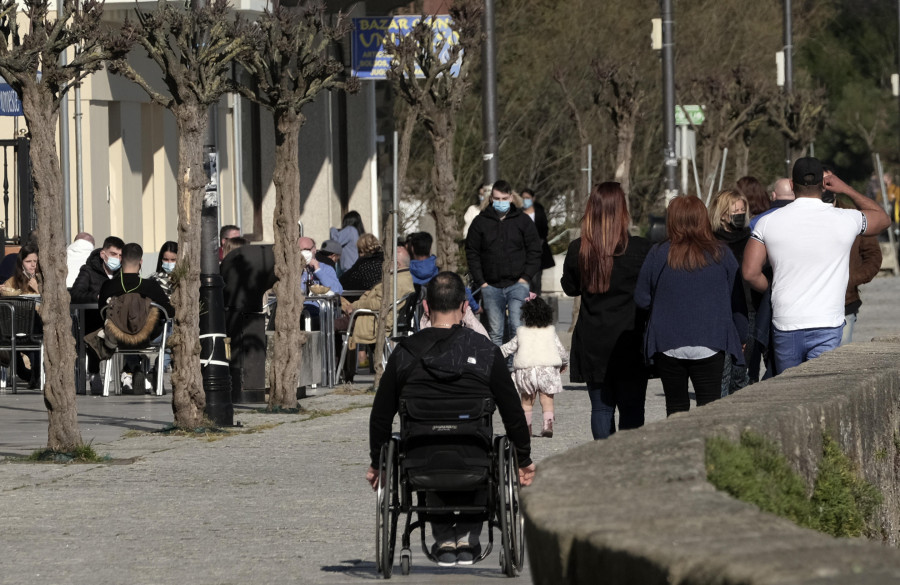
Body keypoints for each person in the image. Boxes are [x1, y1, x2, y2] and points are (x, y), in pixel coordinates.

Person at [366, 271, 534, 566]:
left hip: (420, 461)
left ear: (426, 308)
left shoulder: (404, 353)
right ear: (465, 307)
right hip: (475, 458)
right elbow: (512, 411)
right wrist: (523, 458)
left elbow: (380, 415)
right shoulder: (485, 351)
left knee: (429, 445)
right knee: (476, 448)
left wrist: (375, 460)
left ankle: (444, 539)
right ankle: (468, 538)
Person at [743, 158, 890, 374]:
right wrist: (846, 188)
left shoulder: (768, 222)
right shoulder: (846, 219)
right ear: (824, 185)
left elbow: (749, 272)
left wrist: (774, 290)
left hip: (787, 320)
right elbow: (883, 219)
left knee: (789, 391)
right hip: (828, 320)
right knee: (821, 389)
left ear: (792, 185)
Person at [635, 195, 747, 416]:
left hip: (668, 342)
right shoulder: (721, 253)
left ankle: (679, 449)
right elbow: (737, 298)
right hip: (711, 339)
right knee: (709, 406)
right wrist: (741, 335)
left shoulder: (659, 253)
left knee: (675, 408)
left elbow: (641, 298)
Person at [561, 182, 652, 439]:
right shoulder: (641, 249)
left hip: (593, 338)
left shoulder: (580, 249)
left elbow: (570, 288)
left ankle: (603, 459)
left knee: (601, 409)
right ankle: (628, 462)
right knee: (633, 408)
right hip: (630, 338)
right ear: (622, 211)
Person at [465, 179, 541, 349]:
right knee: (495, 332)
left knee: (517, 327)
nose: (501, 202)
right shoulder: (480, 222)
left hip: (517, 284)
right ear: (491, 199)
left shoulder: (523, 221)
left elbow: (535, 250)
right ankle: (498, 369)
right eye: (497, 199)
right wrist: (481, 281)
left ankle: (516, 368)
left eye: (504, 198)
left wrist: (525, 277)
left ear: (511, 198)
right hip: (490, 285)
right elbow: (472, 252)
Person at [95, 243, 175, 394]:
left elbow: (101, 312)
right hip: (148, 337)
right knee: (169, 330)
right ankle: (157, 370)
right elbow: (169, 312)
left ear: (121, 260)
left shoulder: (108, 286)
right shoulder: (150, 286)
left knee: (122, 327)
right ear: (141, 262)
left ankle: (135, 368)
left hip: (118, 337)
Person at [500, 296, 568, 438]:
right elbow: (561, 351)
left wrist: (493, 354)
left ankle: (526, 428)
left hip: (526, 370)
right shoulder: (550, 331)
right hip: (547, 369)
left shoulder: (521, 332)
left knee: (527, 402)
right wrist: (564, 363)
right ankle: (547, 425)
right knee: (547, 400)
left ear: (525, 315)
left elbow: (508, 348)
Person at [341, 246, 414, 376]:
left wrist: (355, 305)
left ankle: (337, 373)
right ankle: (345, 373)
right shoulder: (402, 278)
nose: (384, 264)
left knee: (330, 326)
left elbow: (379, 303)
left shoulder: (396, 281)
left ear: (396, 264)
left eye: (388, 261)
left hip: (373, 318)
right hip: (373, 315)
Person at [708, 189, 752, 396]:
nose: (740, 214)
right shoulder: (711, 242)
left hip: (749, 308)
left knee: (744, 371)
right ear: (722, 213)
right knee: (724, 373)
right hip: (721, 311)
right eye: (735, 210)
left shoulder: (752, 239)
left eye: (743, 209)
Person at [71, 235, 125, 394]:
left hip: (117, 321)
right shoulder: (88, 271)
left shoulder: (122, 274)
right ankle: (94, 372)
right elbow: (75, 293)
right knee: (96, 333)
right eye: (114, 254)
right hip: (92, 320)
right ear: (103, 254)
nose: (117, 259)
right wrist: (96, 297)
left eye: (121, 256)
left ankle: (131, 372)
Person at [830, 195, 882, 344]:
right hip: (809, 305)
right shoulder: (804, 215)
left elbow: (873, 256)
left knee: (840, 357)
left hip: (845, 302)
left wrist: (851, 279)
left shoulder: (854, 215)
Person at [520, 188, 556, 295]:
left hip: (537, 252)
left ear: (533, 198)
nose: (525, 200)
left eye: (528, 198)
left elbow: (544, 232)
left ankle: (536, 303)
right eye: (523, 198)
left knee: (536, 281)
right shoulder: (518, 213)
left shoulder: (540, 212)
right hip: (522, 253)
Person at [330, 210, 365, 275]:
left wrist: (333, 230)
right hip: (356, 269)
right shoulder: (357, 233)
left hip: (350, 270)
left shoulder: (350, 230)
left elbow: (335, 241)